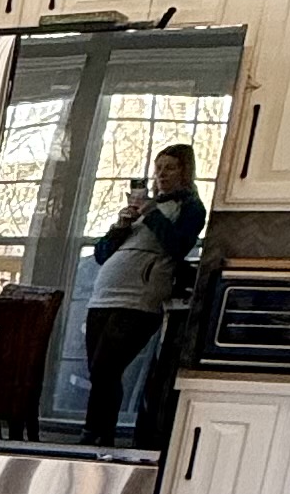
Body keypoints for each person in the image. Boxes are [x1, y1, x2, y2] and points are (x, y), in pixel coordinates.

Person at [78, 141, 206, 446]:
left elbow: (177, 246)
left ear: (185, 171)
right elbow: (102, 255)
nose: (162, 174)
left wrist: (152, 214)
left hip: (140, 298)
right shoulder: (142, 208)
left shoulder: (189, 208)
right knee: (99, 370)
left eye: (170, 167)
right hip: (104, 293)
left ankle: (93, 433)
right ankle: (100, 434)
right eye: (158, 168)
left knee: (107, 366)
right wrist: (121, 226)